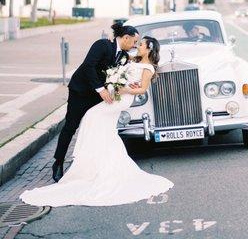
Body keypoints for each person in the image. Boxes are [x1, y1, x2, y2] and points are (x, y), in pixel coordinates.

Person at [20, 36, 173, 207]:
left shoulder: (148, 67)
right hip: (116, 94)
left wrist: (123, 89)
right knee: (100, 124)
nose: (137, 46)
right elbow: (118, 59)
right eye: (136, 42)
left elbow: (143, 88)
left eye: (141, 44)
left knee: (93, 116)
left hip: (123, 97)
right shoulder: (132, 58)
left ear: (149, 49)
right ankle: (96, 162)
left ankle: (98, 162)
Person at [51, 22, 139, 182]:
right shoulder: (102, 45)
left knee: (97, 124)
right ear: (126, 37)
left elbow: (118, 76)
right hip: (81, 92)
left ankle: (92, 163)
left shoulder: (124, 56)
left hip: (99, 96)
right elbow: (88, 66)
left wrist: (127, 85)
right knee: (71, 127)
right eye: (134, 41)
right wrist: (101, 89)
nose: (135, 45)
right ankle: (58, 162)